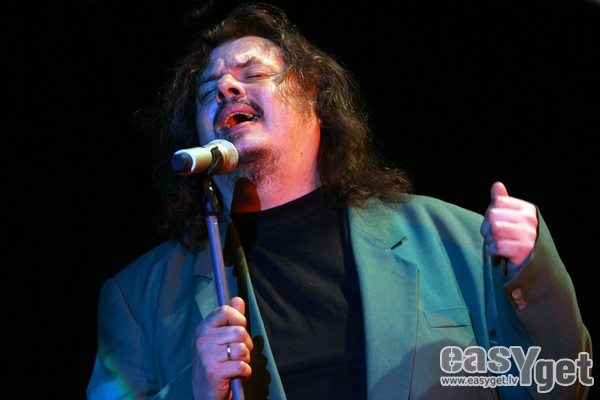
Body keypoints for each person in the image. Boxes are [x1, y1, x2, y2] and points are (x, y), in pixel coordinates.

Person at [86, 2, 592, 399]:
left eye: (252, 73)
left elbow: (559, 385)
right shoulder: (140, 299)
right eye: (207, 91)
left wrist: (533, 270)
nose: (226, 87)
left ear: (315, 98)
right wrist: (192, 391)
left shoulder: (452, 240)